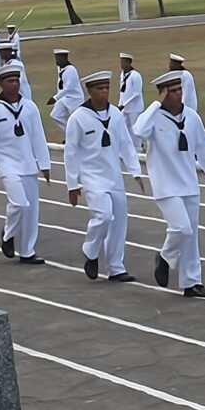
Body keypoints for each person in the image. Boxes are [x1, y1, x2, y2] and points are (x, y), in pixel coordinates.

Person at [134, 71, 205, 298]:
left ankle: (191, 282)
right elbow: (138, 130)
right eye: (171, 91)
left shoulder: (191, 117)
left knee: (191, 234)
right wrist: (155, 104)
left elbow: (204, 148)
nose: (177, 94)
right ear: (163, 94)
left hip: (189, 183)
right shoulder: (153, 118)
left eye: (179, 89)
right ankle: (164, 256)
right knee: (180, 228)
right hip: (165, 185)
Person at [65, 71, 145, 282]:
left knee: (119, 221)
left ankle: (116, 267)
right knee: (103, 215)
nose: (104, 92)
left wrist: (135, 171)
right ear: (89, 91)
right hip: (92, 177)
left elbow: (126, 144)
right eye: (99, 88)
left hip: (114, 175)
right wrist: (72, 185)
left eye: (107, 88)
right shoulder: (78, 118)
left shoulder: (116, 114)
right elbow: (70, 153)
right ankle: (90, 249)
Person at [0, 64, 51, 264]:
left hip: (28, 163)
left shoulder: (29, 107)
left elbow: (38, 137)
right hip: (7, 165)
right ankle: (8, 234)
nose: (14, 85)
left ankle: (27, 251)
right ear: (1, 84)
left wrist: (44, 164)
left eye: (16, 80)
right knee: (19, 204)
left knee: (31, 211)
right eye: (9, 81)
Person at [47, 49, 85, 133]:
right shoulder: (60, 68)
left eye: (58, 58)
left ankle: (80, 136)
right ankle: (69, 134)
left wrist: (55, 98)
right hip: (64, 98)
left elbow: (69, 88)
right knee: (55, 115)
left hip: (74, 99)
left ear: (64, 58)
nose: (56, 61)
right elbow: (60, 85)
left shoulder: (71, 70)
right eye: (56, 58)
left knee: (78, 121)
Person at [118, 53, 145, 152]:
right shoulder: (122, 74)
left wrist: (124, 104)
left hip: (135, 107)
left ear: (129, 63)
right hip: (124, 108)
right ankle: (127, 146)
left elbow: (136, 94)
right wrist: (120, 104)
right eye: (121, 62)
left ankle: (138, 148)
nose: (122, 64)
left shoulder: (135, 76)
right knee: (124, 127)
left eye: (124, 62)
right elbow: (122, 91)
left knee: (135, 128)